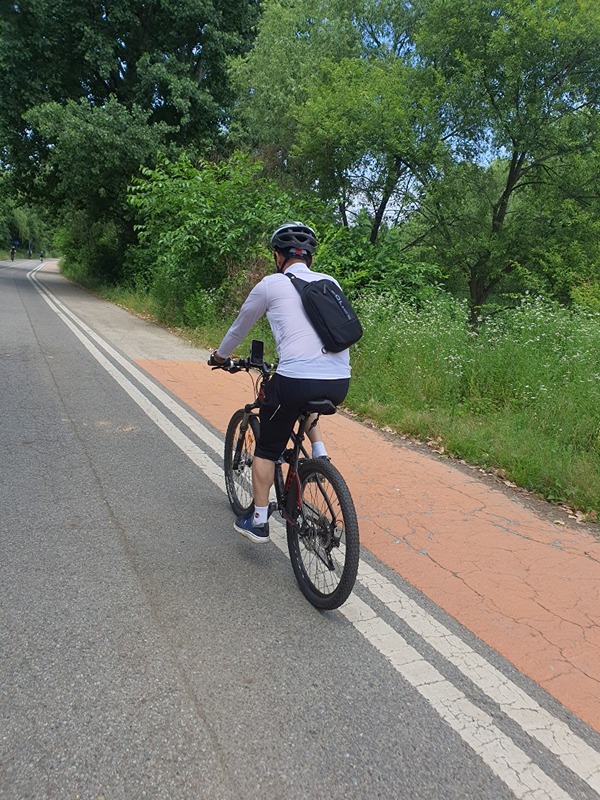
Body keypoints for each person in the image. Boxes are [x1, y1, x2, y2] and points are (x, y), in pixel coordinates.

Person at [210, 222, 351, 544]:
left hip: (296, 380)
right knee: (304, 399)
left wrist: (220, 356)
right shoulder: (329, 282)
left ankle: (258, 520)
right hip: (340, 381)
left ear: (278, 256)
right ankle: (319, 452)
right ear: (310, 258)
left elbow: (239, 327)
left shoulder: (271, 284)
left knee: (269, 448)